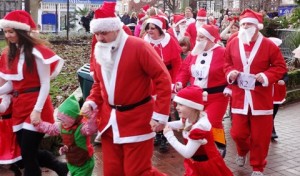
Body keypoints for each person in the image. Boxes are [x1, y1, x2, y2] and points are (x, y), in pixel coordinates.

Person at [81, 2, 172, 175]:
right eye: (97, 33)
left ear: (115, 28)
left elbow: (162, 78)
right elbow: (99, 83)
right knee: (112, 172)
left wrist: (160, 115)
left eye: (104, 32)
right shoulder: (100, 49)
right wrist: (91, 101)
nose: (99, 38)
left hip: (137, 120)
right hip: (109, 122)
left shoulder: (138, 46)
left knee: (138, 172)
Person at [0, 10, 68, 176]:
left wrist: (37, 110)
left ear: (22, 32)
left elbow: (45, 84)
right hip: (19, 106)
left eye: (11, 31)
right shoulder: (11, 53)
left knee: (28, 154)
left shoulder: (37, 53)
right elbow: (12, 83)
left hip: (36, 105)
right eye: (5, 31)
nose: (7, 35)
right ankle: (60, 168)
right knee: (26, 153)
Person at [223, 9, 287, 176]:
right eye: (243, 24)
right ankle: (242, 151)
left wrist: (266, 76)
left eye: (249, 24)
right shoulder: (232, 43)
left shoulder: (268, 45)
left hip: (261, 97)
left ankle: (258, 167)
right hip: (240, 96)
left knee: (260, 136)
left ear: (257, 26)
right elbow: (226, 64)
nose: (245, 26)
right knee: (237, 133)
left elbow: (280, 67)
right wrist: (231, 73)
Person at [176, 24, 230, 158]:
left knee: (213, 122)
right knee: (192, 122)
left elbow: (231, 70)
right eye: (198, 36)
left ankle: (219, 145)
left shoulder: (223, 53)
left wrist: (230, 86)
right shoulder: (194, 52)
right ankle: (195, 149)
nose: (198, 39)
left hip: (217, 96)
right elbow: (184, 70)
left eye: (201, 37)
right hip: (195, 97)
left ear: (211, 39)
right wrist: (179, 82)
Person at [163, 85, 233, 176]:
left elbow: (187, 153)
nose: (176, 107)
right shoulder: (190, 117)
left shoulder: (200, 126)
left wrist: (169, 136)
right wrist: (163, 124)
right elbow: (181, 123)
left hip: (207, 168)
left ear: (192, 106)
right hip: (196, 164)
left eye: (181, 104)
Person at [32, 95, 98, 176]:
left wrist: (93, 116)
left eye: (65, 120)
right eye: (61, 120)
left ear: (74, 118)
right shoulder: (62, 126)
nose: (63, 123)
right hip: (72, 162)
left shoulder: (81, 128)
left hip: (84, 163)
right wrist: (39, 124)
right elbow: (51, 128)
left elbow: (92, 128)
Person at [144, 15, 182, 152]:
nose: (149, 31)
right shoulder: (144, 42)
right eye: (148, 28)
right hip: (150, 79)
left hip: (167, 77)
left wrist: (176, 80)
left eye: (153, 28)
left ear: (160, 29)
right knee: (153, 106)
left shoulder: (169, 41)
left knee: (164, 106)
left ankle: (164, 136)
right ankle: (157, 133)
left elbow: (177, 63)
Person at [0, 79, 22, 176]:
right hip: (2, 124)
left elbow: (3, 108)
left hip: (7, 125)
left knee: (7, 149)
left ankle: (14, 169)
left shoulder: (7, 96)